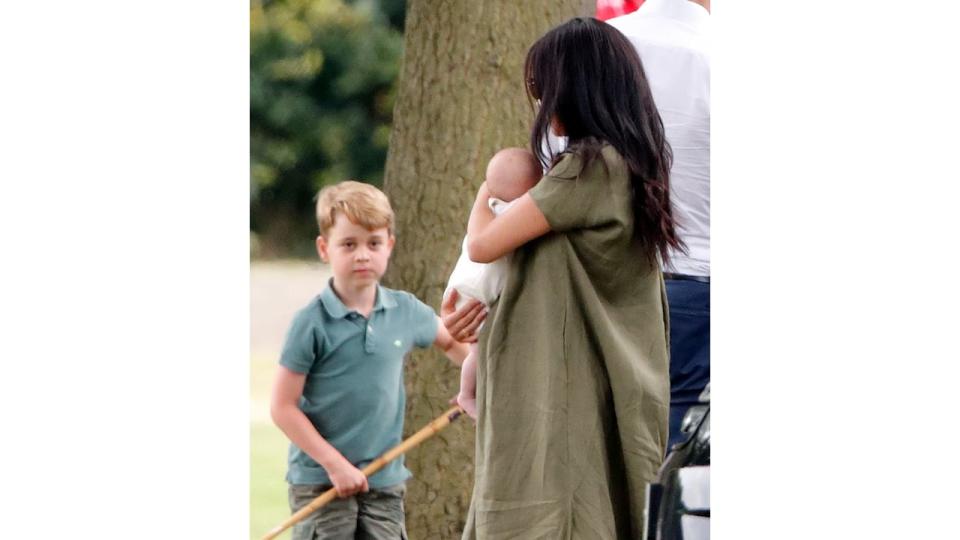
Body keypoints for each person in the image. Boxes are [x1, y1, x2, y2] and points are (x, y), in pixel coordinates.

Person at [444, 17, 683, 539]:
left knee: (548, 505)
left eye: (542, 89)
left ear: (574, 90)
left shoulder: (587, 169)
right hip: (596, 371)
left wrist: (488, 192)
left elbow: (486, 244)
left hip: (563, 380)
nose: (538, 104)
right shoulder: (633, 166)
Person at [270, 181, 469, 540]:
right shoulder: (311, 323)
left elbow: (455, 344)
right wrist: (335, 465)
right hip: (321, 482)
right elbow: (282, 407)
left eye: (373, 243)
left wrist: (474, 384)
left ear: (389, 246)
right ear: (324, 248)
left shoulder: (405, 310)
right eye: (349, 244)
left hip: (384, 480)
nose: (363, 254)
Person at [608, 0, 711, 449]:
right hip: (698, 285)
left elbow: (543, 174)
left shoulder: (597, 49)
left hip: (602, 283)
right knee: (682, 473)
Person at [444, 147, 543, 418]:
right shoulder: (517, 211)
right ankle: (466, 394)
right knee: (478, 352)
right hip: (480, 293)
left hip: (464, 285)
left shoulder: (491, 205)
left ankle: (469, 393)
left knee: (478, 352)